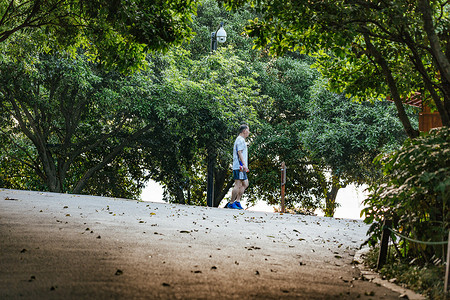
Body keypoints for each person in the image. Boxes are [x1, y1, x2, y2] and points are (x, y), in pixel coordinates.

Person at [227, 124, 250, 209]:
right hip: (239, 166)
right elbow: (239, 152)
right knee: (237, 184)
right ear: (244, 131)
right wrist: (243, 165)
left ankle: (237, 201)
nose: (249, 132)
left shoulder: (242, 140)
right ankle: (232, 203)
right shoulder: (240, 140)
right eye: (248, 130)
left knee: (245, 183)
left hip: (242, 166)